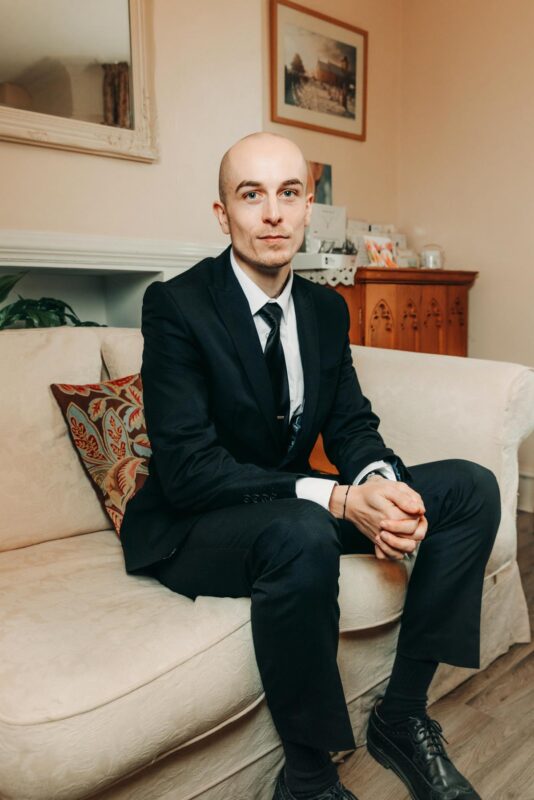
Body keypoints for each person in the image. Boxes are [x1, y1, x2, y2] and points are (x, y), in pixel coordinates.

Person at [119, 132, 501, 800]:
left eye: (288, 193)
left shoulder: (325, 309)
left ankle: (403, 715)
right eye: (251, 194)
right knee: (300, 525)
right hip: (198, 522)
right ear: (222, 215)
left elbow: (351, 425)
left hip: (294, 510)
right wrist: (335, 498)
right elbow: (189, 469)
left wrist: (380, 487)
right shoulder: (176, 306)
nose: (272, 212)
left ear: (306, 210)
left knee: (469, 488)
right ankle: (307, 777)